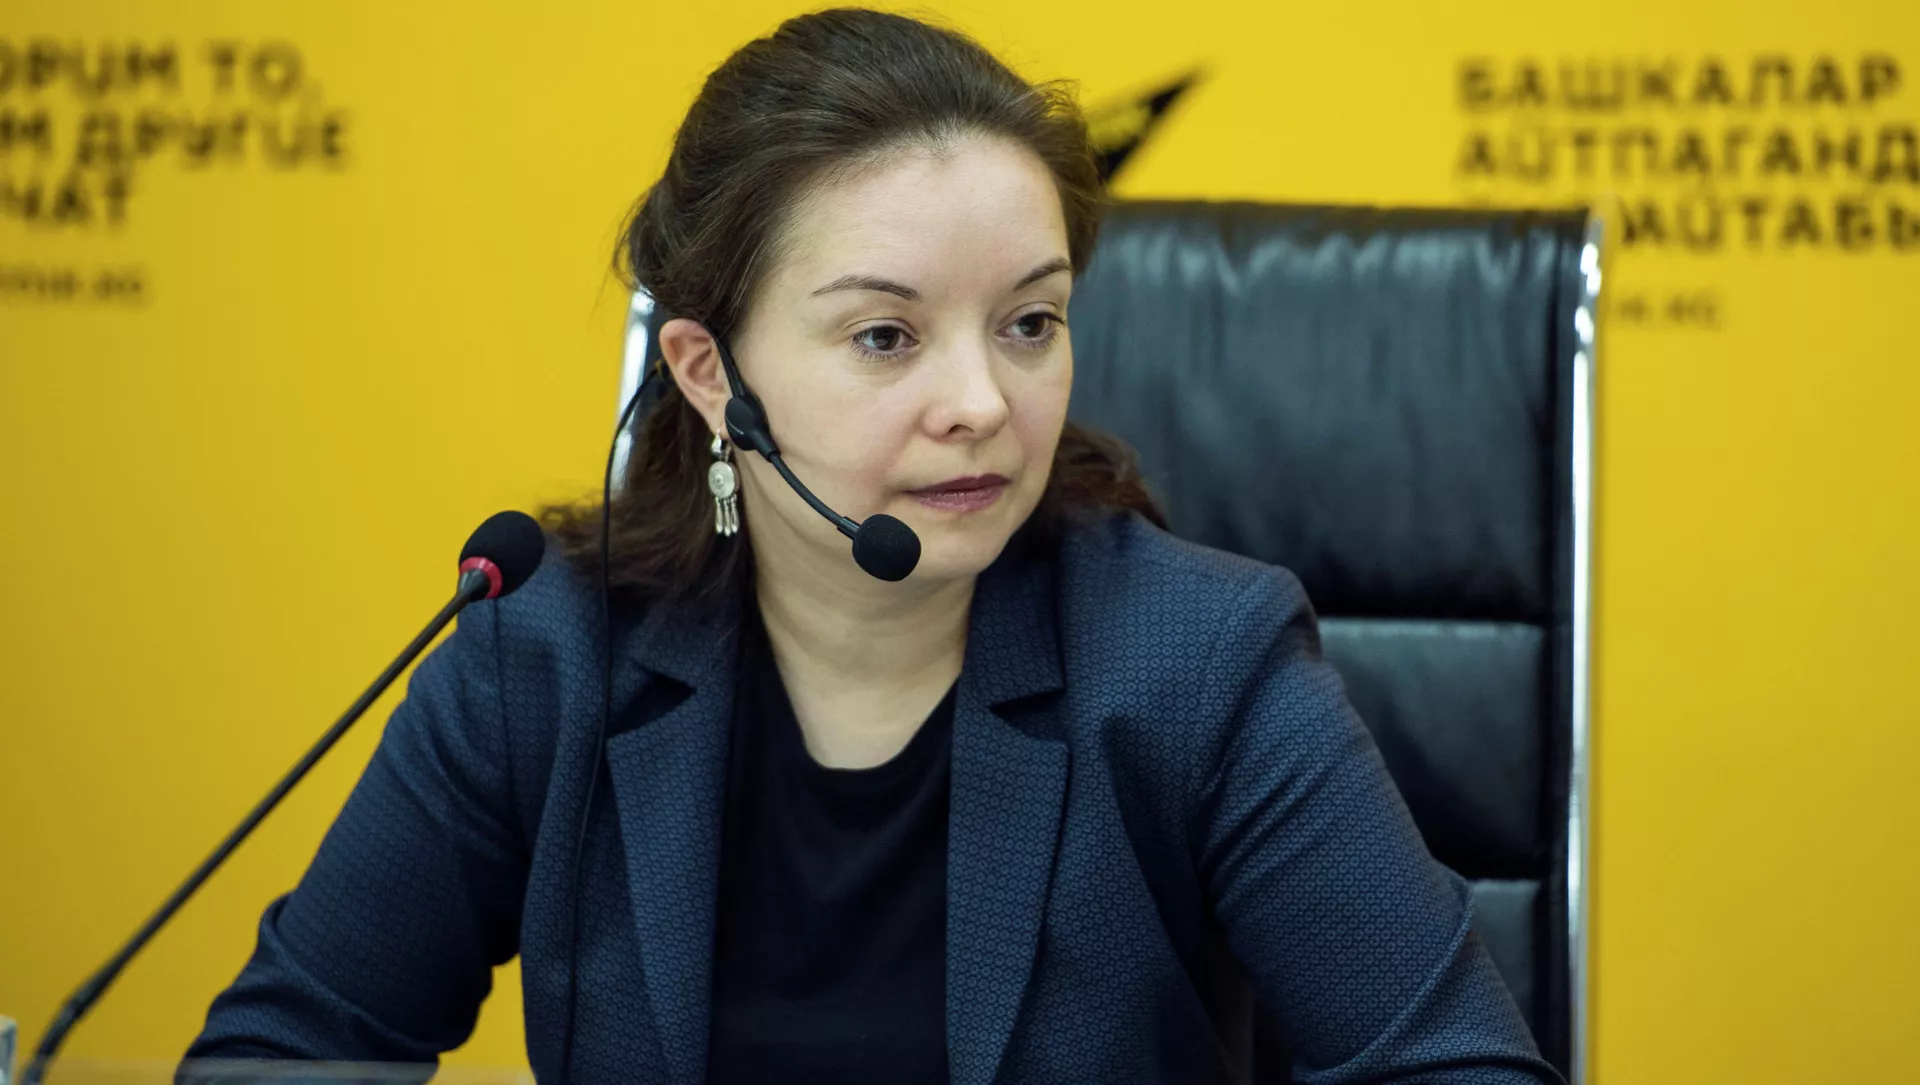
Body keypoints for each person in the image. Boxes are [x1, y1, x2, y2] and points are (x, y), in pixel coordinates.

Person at [186, 9, 1562, 1084]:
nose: (983, 402)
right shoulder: (544, 664)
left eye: (1030, 323)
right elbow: (286, 1052)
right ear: (712, 375)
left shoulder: (1202, 666)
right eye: (887, 336)